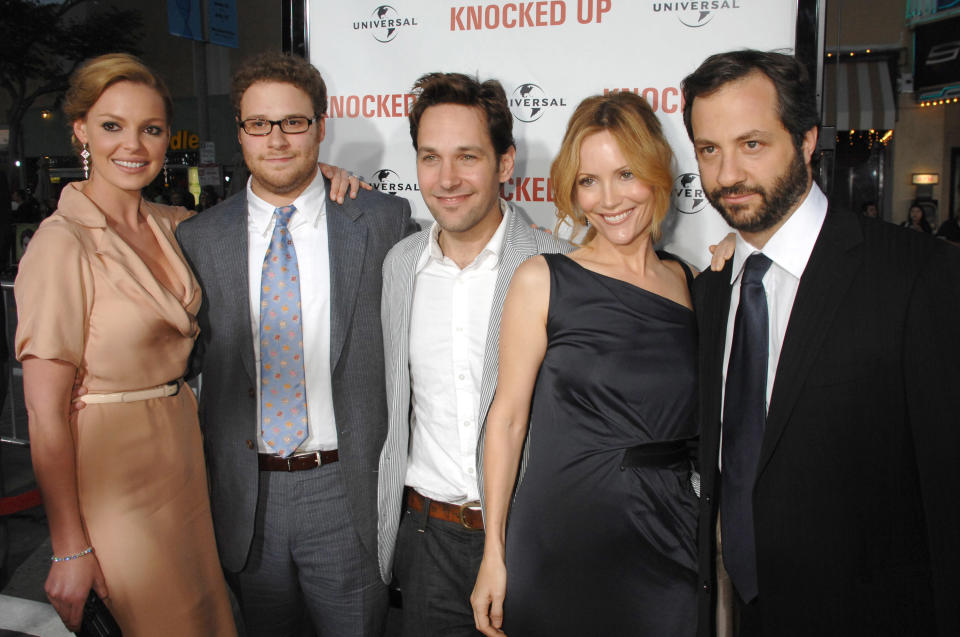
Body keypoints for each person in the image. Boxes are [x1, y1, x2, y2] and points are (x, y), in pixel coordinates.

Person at [683, 50, 960, 636]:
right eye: (709, 149)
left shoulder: (917, 275)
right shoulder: (711, 291)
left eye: (751, 144)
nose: (727, 174)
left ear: (807, 141)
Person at [175, 51, 414, 637]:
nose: (276, 139)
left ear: (321, 127)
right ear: (240, 132)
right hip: (244, 495)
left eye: (293, 122)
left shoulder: (382, 220)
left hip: (344, 491)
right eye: (259, 123)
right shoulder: (198, 238)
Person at [14, 52, 238, 636]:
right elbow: (43, 413)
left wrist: (333, 181)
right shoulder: (61, 244)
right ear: (81, 131)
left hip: (182, 455)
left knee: (203, 615)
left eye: (151, 128)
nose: (133, 144)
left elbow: (264, 217)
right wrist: (67, 546)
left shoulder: (173, 224)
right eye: (112, 125)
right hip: (114, 473)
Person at [472, 91, 703, 636]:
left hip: (669, 538)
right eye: (588, 180)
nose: (609, 199)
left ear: (657, 172)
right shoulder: (542, 279)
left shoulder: (693, 283)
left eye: (626, 174)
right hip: (562, 538)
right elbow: (505, 421)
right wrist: (493, 550)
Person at [376, 72, 569, 636]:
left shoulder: (558, 266)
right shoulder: (399, 266)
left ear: (505, 164)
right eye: (430, 158)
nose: (447, 179)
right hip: (426, 538)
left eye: (468, 157)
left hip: (533, 537)